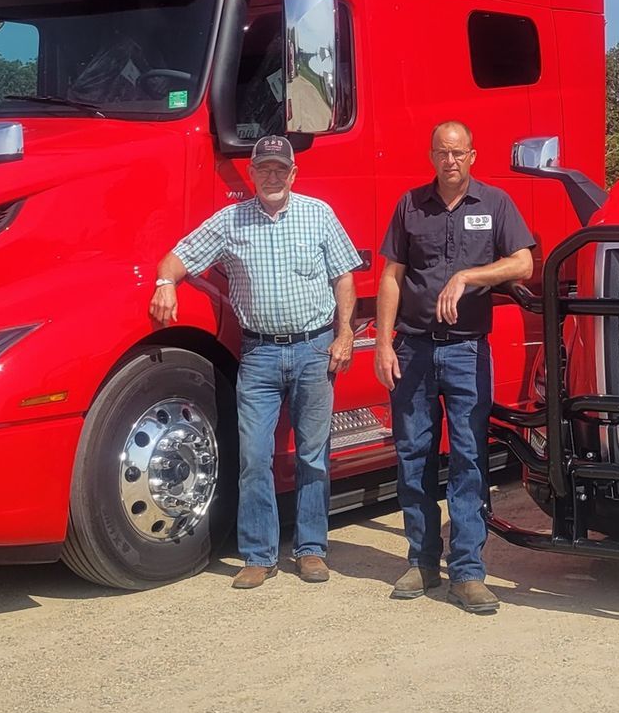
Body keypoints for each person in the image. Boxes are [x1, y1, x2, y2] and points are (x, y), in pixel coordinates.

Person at [150, 135, 361, 589]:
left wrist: (345, 334)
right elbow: (178, 256)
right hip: (260, 355)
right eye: (263, 168)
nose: (271, 176)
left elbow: (344, 277)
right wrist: (165, 282)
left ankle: (310, 550)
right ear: (251, 174)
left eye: (279, 169)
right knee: (253, 457)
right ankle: (259, 555)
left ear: (293, 174)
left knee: (313, 456)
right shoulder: (230, 221)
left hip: (313, 350)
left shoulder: (319, 215)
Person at [374, 121, 534, 615]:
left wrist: (468, 274)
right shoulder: (410, 205)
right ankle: (421, 562)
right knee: (414, 457)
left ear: (473, 156)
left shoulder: (495, 204)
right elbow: (391, 277)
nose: (451, 161)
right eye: (442, 152)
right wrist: (383, 344)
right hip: (414, 350)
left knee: (468, 458)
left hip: (467, 351)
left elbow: (524, 263)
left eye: (459, 152)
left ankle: (467, 572)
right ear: (431, 157)